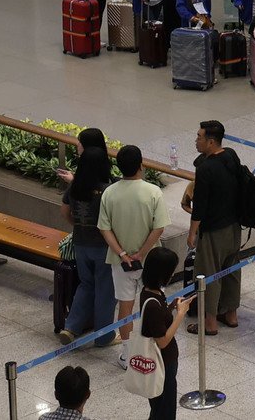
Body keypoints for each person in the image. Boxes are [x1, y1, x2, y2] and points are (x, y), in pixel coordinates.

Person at [98, 145, 169, 370]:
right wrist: (142, 253)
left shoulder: (109, 193)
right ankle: (155, 348)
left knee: (125, 307)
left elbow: (104, 228)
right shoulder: (153, 192)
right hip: (150, 261)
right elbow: (159, 228)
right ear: (141, 165)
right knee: (152, 303)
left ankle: (128, 355)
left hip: (120, 262)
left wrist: (122, 253)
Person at [57, 129, 115, 347]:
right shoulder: (107, 191)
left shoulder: (75, 187)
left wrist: (77, 226)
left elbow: (64, 212)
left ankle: (71, 327)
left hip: (80, 243)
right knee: (105, 289)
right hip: (103, 247)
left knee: (86, 285)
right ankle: (104, 336)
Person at [186, 121, 242, 335]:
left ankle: (210, 322)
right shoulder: (231, 155)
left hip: (213, 231)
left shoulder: (205, 169)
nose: (196, 141)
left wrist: (192, 233)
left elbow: (199, 206)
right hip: (234, 226)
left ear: (210, 141)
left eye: (199, 137)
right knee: (231, 270)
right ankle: (231, 314)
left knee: (209, 273)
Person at [137, 247, 193, 420]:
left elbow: (157, 321)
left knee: (159, 408)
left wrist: (171, 308)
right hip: (161, 362)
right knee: (165, 411)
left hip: (162, 361)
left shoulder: (150, 291)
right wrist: (181, 315)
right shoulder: (152, 303)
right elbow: (162, 341)